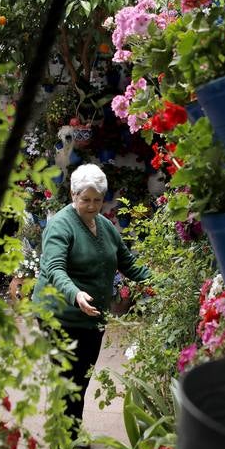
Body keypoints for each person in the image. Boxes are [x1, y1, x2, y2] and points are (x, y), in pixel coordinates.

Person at [32, 164, 149, 432]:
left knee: (82, 378)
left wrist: (161, 283)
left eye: (97, 200)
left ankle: (72, 433)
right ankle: (62, 446)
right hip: (60, 315)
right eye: (86, 199)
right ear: (73, 195)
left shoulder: (105, 226)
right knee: (66, 381)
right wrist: (75, 294)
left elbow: (127, 263)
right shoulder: (61, 226)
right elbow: (53, 268)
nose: (92, 206)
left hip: (93, 316)